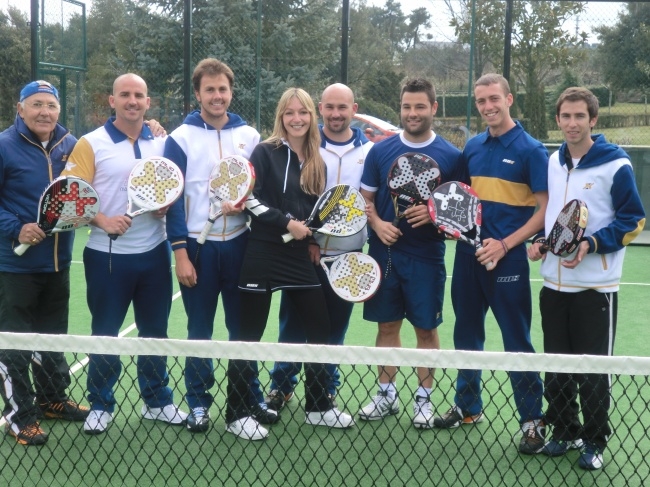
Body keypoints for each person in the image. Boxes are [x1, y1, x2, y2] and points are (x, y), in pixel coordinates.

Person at [224, 87, 355, 440]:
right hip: (262, 253)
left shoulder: (317, 159)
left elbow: (313, 211)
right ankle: (236, 413)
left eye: (303, 112)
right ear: (281, 116)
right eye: (289, 113)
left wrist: (309, 238)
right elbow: (248, 199)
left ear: (312, 116)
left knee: (320, 329)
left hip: (297, 256)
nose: (296, 119)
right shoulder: (264, 151)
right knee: (247, 336)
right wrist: (286, 223)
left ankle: (318, 406)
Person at [63, 73, 187, 435]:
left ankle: (157, 400)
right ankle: (100, 404)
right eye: (125, 94)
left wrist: (163, 206)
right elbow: (71, 196)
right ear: (112, 100)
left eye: (139, 95)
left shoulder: (162, 142)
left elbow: (170, 189)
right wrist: (102, 220)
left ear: (148, 102)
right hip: (106, 257)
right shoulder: (90, 143)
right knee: (105, 332)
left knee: (155, 332)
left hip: (154, 255)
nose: (132, 101)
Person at [528, 87, 645, 469]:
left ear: (593, 119)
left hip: (596, 288)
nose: (572, 123)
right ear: (558, 120)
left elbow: (633, 221)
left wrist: (592, 244)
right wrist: (541, 242)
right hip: (553, 284)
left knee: (593, 371)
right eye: (566, 116)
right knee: (557, 366)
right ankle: (565, 430)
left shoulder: (616, 164)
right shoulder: (552, 161)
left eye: (580, 116)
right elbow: (555, 218)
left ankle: (594, 440)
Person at [433, 73, 548, 454]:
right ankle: (468, 406)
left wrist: (504, 245)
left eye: (494, 99)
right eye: (481, 101)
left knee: (517, 340)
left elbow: (544, 211)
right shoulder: (473, 147)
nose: (488, 107)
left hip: (508, 259)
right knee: (466, 335)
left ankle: (532, 422)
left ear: (509, 99)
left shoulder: (532, 150)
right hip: (468, 257)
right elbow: (461, 199)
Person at [164, 58, 271, 433]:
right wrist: (181, 253)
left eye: (222, 89)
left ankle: (250, 397)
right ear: (198, 94)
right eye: (209, 89)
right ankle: (198, 403)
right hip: (199, 249)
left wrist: (248, 208)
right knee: (199, 329)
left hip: (241, 246)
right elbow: (172, 200)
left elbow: (260, 191)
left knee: (244, 329)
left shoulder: (251, 136)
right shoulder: (180, 138)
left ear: (231, 91)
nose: (217, 96)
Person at [357, 78, 462, 429]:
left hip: (427, 257)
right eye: (406, 106)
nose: (412, 113)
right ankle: (386, 395)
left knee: (426, 330)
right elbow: (365, 200)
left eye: (420, 106)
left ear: (433, 108)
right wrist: (377, 224)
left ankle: (424, 400)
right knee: (387, 325)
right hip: (384, 253)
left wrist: (434, 213)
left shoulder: (452, 156)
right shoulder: (379, 152)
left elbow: (459, 211)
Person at [264, 83, 372, 411]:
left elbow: (370, 201)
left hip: (348, 257)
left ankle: (324, 390)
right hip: (303, 254)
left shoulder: (370, 151)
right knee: (292, 325)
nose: (336, 114)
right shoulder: (304, 145)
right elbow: (295, 200)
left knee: (335, 330)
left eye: (343, 107)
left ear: (354, 109)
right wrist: (310, 240)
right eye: (330, 107)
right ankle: (281, 386)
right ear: (320, 109)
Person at [0, 80, 89, 446]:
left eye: (51, 105)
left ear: (59, 111)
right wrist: (17, 228)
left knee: (52, 338)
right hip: (14, 267)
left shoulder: (71, 145)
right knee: (15, 345)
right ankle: (20, 416)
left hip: (57, 264)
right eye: (36, 104)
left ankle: (52, 399)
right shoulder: (4, 146)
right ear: (20, 109)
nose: (44, 112)